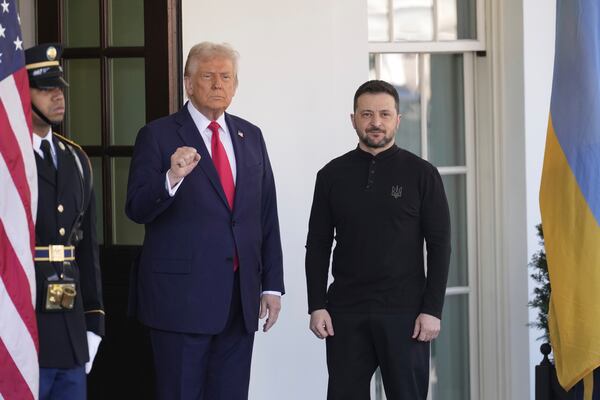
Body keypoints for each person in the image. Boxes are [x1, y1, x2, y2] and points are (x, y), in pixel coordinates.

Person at [126, 42, 284, 399]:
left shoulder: (251, 135)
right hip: (180, 303)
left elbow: (265, 214)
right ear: (188, 82)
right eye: (208, 76)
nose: (218, 84)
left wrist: (271, 285)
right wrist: (171, 177)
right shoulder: (158, 134)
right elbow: (136, 207)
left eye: (226, 77)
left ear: (235, 84)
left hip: (239, 301)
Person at [305, 80, 451, 399]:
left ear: (397, 119)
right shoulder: (331, 176)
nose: (376, 122)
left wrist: (432, 309)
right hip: (345, 312)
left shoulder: (422, 175)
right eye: (367, 114)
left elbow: (440, 246)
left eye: (385, 114)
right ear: (354, 118)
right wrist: (316, 304)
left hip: (406, 314)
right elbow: (317, 244)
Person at [25, 43, 105, 400]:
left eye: (60, 88)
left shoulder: (76, 159)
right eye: (45, 89)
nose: (58, 96)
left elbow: (86, 248)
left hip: (70, 326)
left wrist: (94, 320)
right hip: (20, 325)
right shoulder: (6, 161)